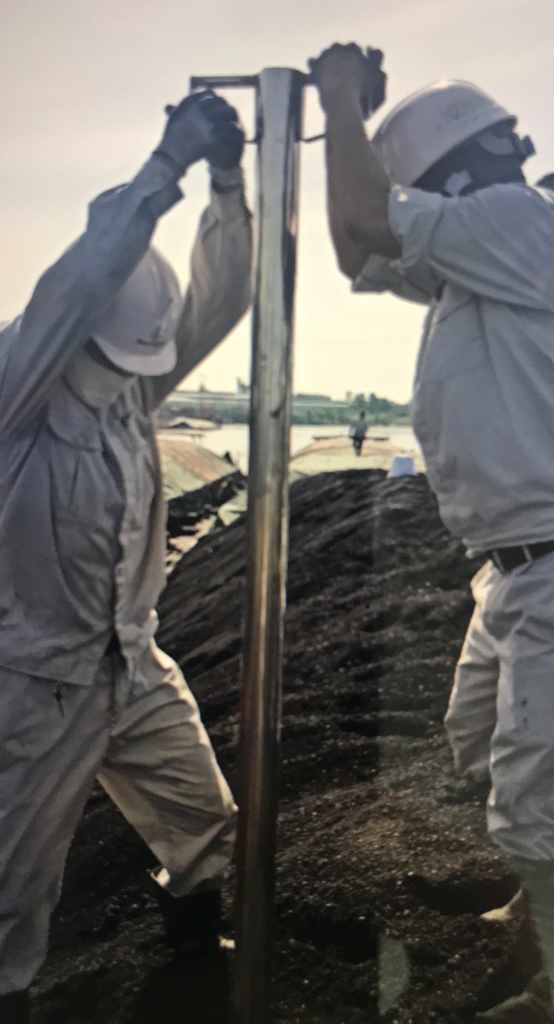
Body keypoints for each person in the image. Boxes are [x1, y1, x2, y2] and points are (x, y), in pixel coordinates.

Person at [310, 42, 554, 1024]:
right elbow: (357, 246)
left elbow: (364, 218)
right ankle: (548, 899)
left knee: (538, 800)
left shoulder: (525, 224)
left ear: (453, 180)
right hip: (517, 567)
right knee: (476, 742)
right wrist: (350, 129)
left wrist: (338, 98)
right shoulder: (479, 264)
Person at [0, 89, 252, 1022]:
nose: (125, 378)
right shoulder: (18, 391)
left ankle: (191, 956)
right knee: (11, 894)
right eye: (112, 360)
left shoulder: (128, 396)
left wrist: (226, 184)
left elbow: (222, 301)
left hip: (130, 662)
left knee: (204, 821)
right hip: (31, 682)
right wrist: (165, 164)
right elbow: (76, 283)